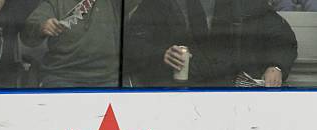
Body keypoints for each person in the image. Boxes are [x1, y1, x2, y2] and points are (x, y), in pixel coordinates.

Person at [125, 0, 298, 87]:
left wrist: (276, 66)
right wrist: (161, 54)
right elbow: (132, 43)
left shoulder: (245, 2)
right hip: (178, 96)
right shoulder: (160, 3)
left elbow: (281, 38)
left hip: (233, 97)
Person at [20, 0, 122, 88]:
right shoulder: (55, 2)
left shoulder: (112, 2)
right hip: (63, 76)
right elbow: (29, 30)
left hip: (107, 78)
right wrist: (43, 26)